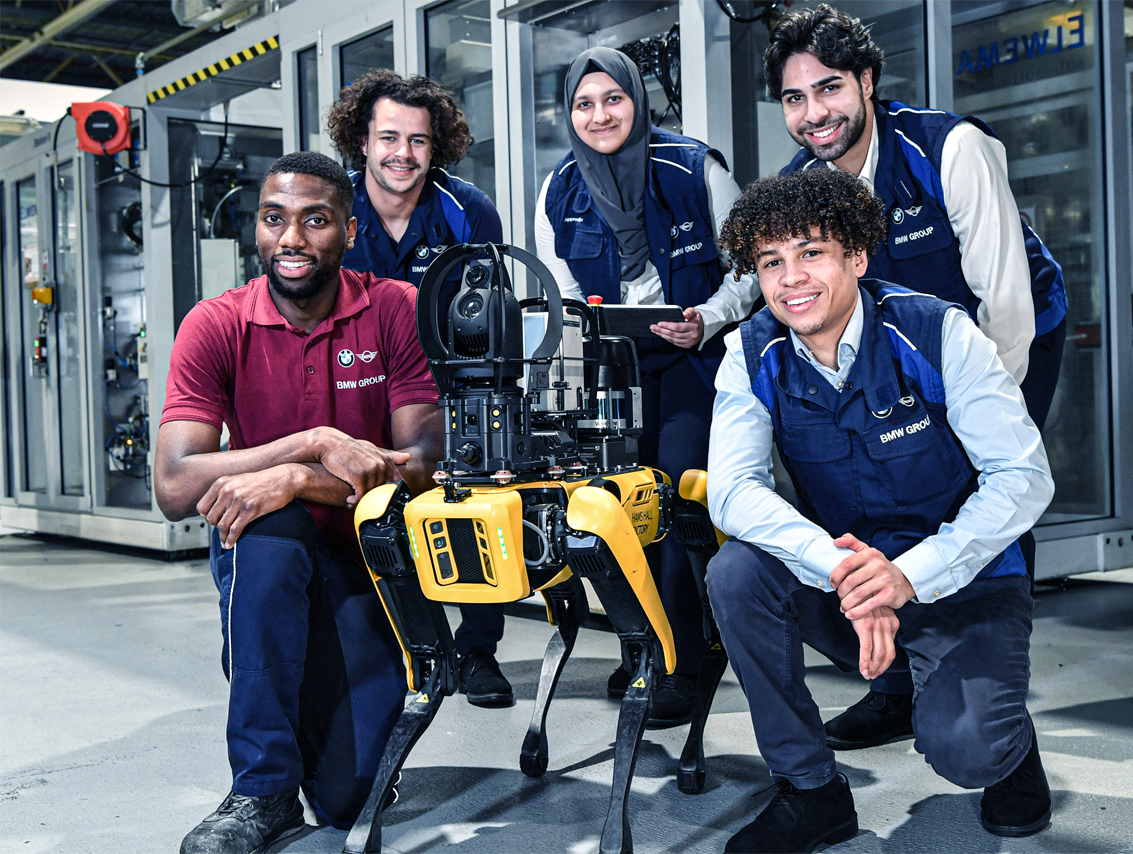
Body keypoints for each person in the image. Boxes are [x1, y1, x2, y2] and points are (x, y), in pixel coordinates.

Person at [706, 168, 1054, 853]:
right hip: (850, 581)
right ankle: (811, 793)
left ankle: (1008, 743)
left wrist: (911, 575)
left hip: (965, 581)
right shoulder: (751, 355)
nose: (791, 278)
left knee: (968, 752)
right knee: (736, 572)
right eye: (771, 262)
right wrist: (840, 568)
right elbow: (733, 489)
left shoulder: (936, 332)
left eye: (811, 253)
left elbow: (1023, 475)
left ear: (857, 257)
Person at [767, 4, 1069, 750]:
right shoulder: (801, 182)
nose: (814, 114)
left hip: (1006, 339)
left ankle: (1000, 708)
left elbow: (1005, 303)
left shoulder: (949, 148)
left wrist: (963, 430)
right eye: (795, 98)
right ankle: (896, 683)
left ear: (867, 80)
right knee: (867, 500)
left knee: (988, 496)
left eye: (830, 89)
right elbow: (782, 285)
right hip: (900, 353)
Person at [156, 151, 442, 853]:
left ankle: (321, 731)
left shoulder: (395, 310)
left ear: (348, 230)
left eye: (314, 221)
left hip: (373, 560)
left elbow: (426, 468)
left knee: (349, 800)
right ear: (257, 227)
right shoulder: (216, 323)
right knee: (268, 526)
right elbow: (173, 485)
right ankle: (262, 789)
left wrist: (300, 477)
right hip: (270, 561)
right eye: (273, 219)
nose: (290, 239)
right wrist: (309, 444)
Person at [534, 47, 759, 726]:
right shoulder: (561, 188)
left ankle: (686, 664)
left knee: (674, 510)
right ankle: (646, 649)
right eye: (584, 104)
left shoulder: (694, 168)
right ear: (568, 114)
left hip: (693, 364)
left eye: (612, 99)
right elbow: (563, 295)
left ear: (637, 101)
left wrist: (708, 318)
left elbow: (751, 270)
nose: (599, 115)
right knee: (618, 515)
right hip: (612, 372)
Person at [327, 69, 513, 709]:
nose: (402, 154)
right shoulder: (334, 209)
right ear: (362, 140)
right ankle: (389, 649)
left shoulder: (467, 210)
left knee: (466, 514)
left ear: (436, 147)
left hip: (449, 389)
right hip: (359, 385)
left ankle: (478, 650)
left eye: (418, 141)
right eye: (388, 138)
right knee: (371, 515)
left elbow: (489, 314)